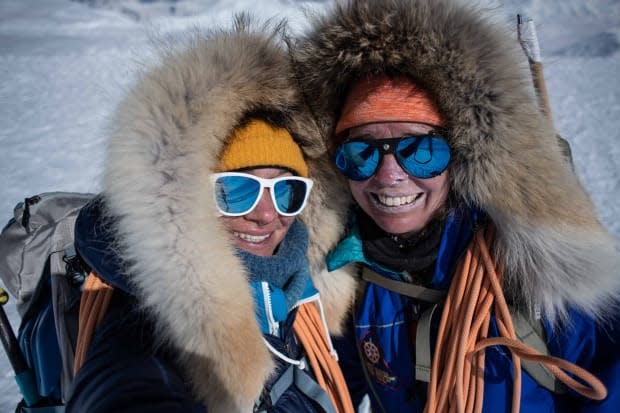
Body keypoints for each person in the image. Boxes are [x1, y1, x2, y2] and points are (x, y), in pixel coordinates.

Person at [292, 0, 620, 412]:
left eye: (420, 150)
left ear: (461, 154)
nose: (389, 174)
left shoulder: (535, 273)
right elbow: (333, 384)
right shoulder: (348, 274)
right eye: (361, 152)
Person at [65, 17, 354, 413]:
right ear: (190, 199)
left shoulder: (302, 296)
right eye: (237, 190)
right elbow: (124, 384)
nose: (266, 215)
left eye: (287, 190)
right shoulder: (152, 324)